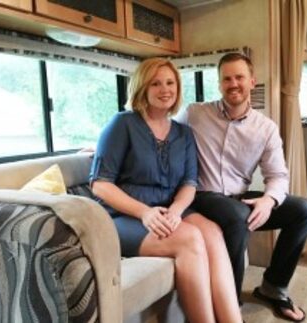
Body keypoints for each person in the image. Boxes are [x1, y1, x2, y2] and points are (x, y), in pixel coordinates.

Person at [89, 57, 243, 323]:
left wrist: (175, 210)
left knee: (213, 232)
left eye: (170, 82)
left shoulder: (183, 133)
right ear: (142, 88)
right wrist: (146, 213)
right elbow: (100, 184)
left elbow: (189, 183)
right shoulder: (122, 124)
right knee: (190, 239)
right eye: (156, 83)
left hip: (170, 209)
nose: (165, 89)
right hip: (126, 217)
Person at [182, 53, 307, 322]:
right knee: (237, 216)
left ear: (252, 82)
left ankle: (273, 286)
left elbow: (277, 175)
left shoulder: (265, 128)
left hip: (238, 198)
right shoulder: (194, 113)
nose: (234, 84)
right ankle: (229, 304)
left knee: (304, 210)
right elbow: (159, 131)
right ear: (219, 84)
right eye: (227, 79)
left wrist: (268, 201)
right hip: (201, 196)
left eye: (239, 77)